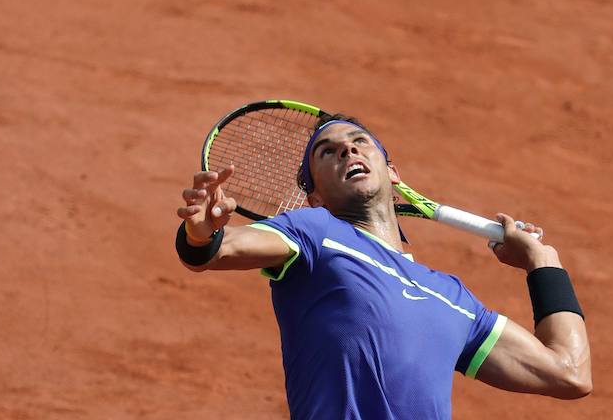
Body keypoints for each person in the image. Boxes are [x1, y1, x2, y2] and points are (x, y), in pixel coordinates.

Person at [175, 114, 591, 419]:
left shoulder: (452, 299)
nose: (347, 149)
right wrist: (202, 234)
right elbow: (220, 249)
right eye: (327, 151)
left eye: (360, 141)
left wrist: (543, 262)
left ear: (392, 172)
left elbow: (569, 373)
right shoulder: (314, 233)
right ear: (315, 198)